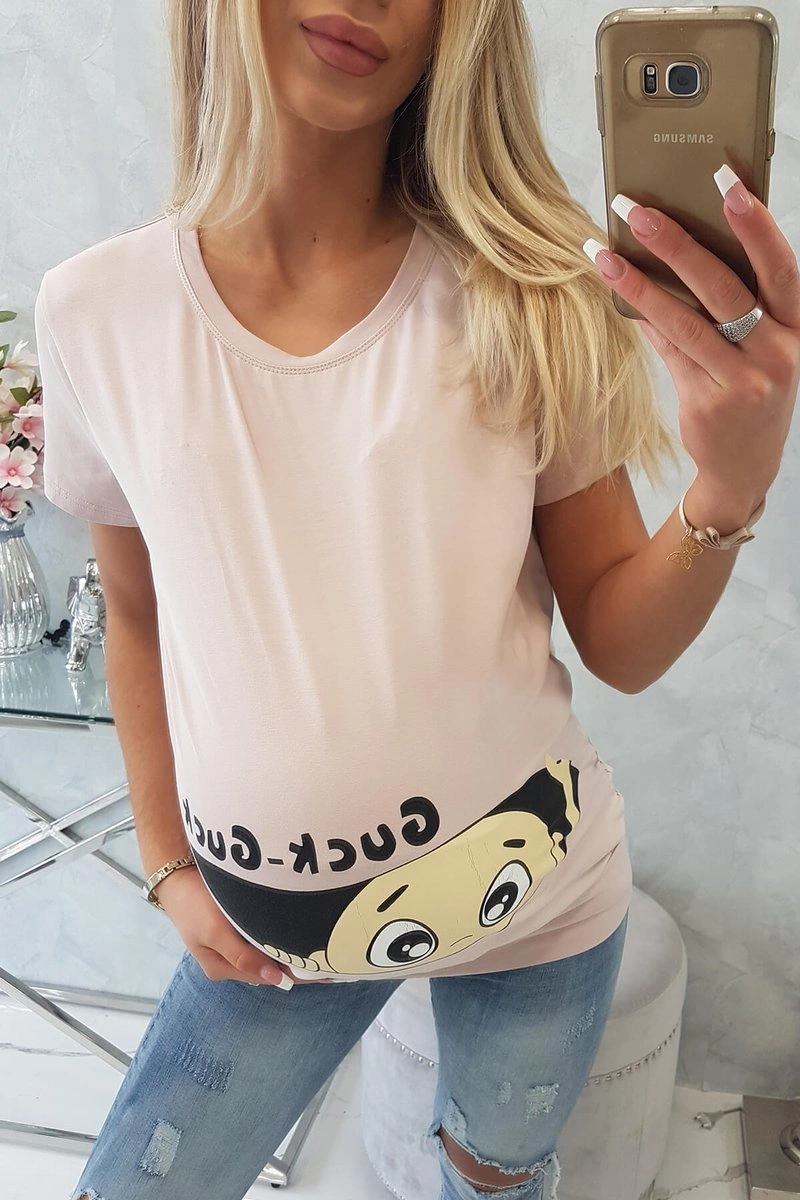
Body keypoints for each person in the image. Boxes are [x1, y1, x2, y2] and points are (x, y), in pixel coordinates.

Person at [34, 2, 799, 1198]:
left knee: (496, 1180)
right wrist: (166, 860)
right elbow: (134, 613)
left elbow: (618, 637)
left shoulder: (524, 298)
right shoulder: (95, 313)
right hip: (267, 938)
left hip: (541, 911)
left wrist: (726, 485)